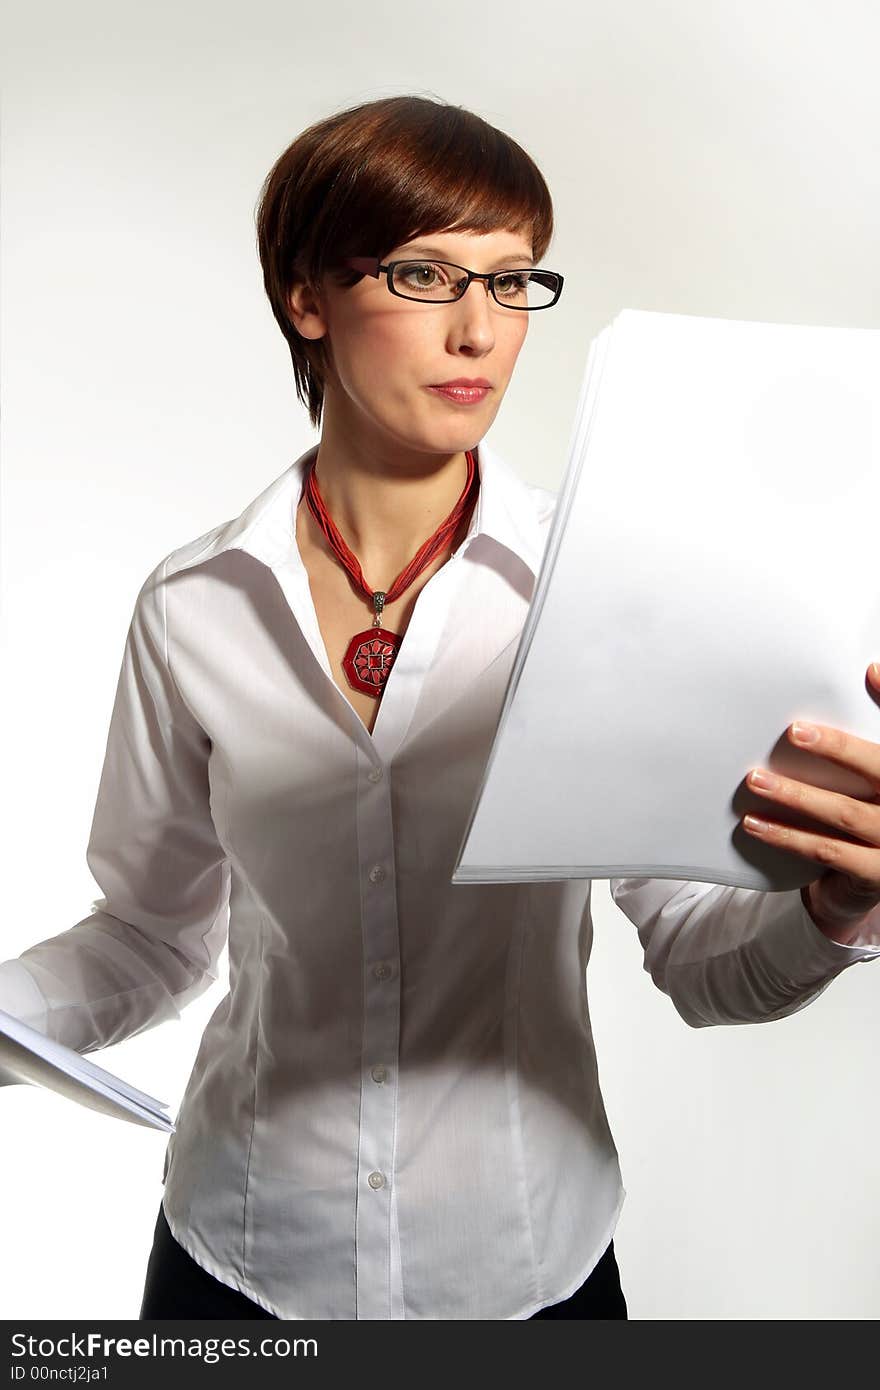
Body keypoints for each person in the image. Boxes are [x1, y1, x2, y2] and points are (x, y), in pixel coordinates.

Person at [2, 93, 880, 1322]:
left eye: (513, 281)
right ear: (308, 298)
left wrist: (835, 906)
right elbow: (149, 935)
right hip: (245, 1252)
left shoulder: (604, 596)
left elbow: (696, 957)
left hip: (527, 1265)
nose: (479, 331)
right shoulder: (192, 607)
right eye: (424, 275)